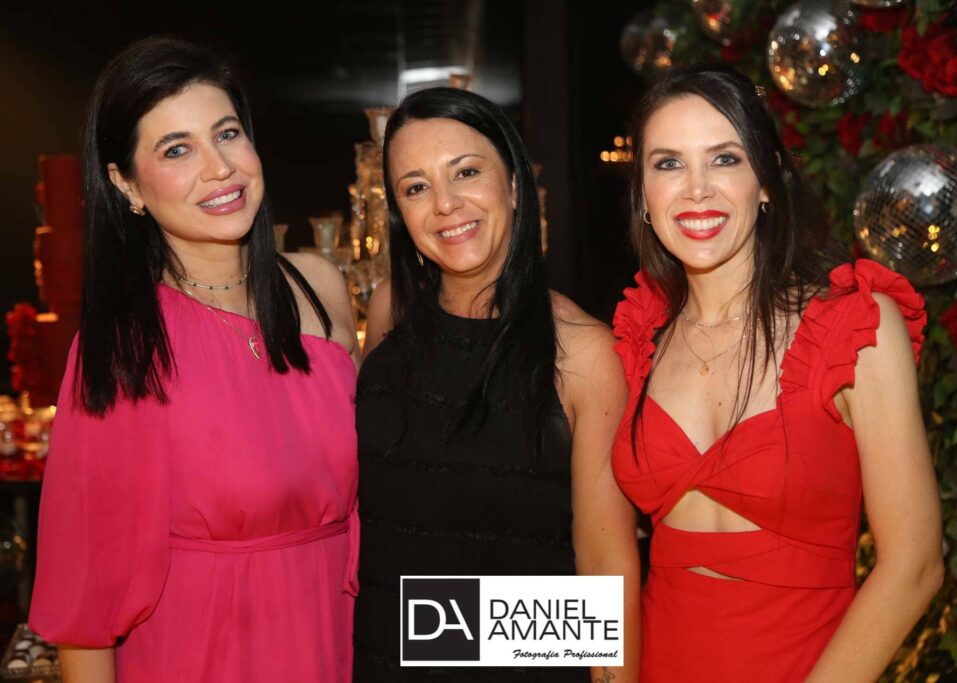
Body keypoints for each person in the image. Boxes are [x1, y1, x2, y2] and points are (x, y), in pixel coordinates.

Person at [28, 37, 360, 682]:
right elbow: (85, 605)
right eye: (177, 150)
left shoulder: (320, 288)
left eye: (227, 134)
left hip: (334, 644)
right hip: (200, 657)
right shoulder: (123, 347)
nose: (220, 168)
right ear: (126, 184)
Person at [611, 64, 944, 682]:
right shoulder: (638, 336)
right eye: (669, 164)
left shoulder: (853, 326)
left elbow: (916, 565)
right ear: (644, 196)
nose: (697, 190)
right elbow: (605, 557)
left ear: (765, 182)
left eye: (725, 159)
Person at [354, 87, 640, 682]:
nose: (445, 204)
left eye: (466, 172)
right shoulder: (390, 312)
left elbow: (604, 567)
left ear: (513, 185)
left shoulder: (583, 352)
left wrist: (438, 626)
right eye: (416, 187)